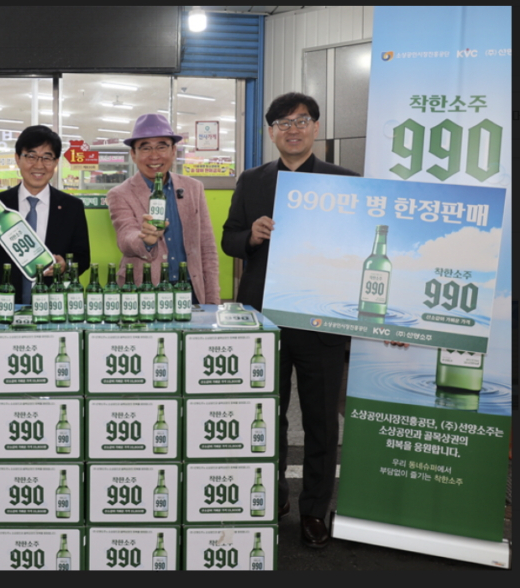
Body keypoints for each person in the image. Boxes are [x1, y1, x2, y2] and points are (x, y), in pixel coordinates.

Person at [221, 92, 359, 549]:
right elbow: (228, 239)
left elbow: (358, 247)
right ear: (271, 132)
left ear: (316, 127)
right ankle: (273, 496)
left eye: (301, 121)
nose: (292, 129)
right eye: (283, 123)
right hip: (264, 319)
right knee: (267, 416)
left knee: (322, 421)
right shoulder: (252, 180)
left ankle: (314, 510)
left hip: (321, 319)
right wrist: (251, 236)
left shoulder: (345, 182)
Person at [106, 113, 220, 304]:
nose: (154, 156)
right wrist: (145, 239)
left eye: (161, 147)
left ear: (173, 150)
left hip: (190, 291)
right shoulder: (120, 193)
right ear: (133, 154)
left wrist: (212, 300)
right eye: (145, 148)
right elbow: (125, 237)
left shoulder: (193, 188)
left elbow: (206, 246)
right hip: (143, 292)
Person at [0, 125, 90, 301]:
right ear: (17, 158)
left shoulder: (72, 207)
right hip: (6, 304)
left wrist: (65, 266)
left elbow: (83, 259)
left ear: (56, 162)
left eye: (47, 157)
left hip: (53, 304)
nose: (39, 165)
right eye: (31, 156)